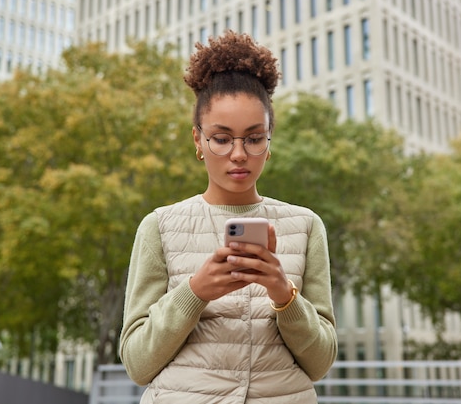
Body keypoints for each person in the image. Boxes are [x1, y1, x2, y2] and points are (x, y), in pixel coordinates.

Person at [119, 30, 337, 403]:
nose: (238, 154)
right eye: (221, 138)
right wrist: (195, 292)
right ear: (198, 141)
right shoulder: (159, 226)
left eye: (253, 138)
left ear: (269, 143)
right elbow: (138, 364)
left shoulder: (306, 226)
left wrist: (284, 295)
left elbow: (319, 364)